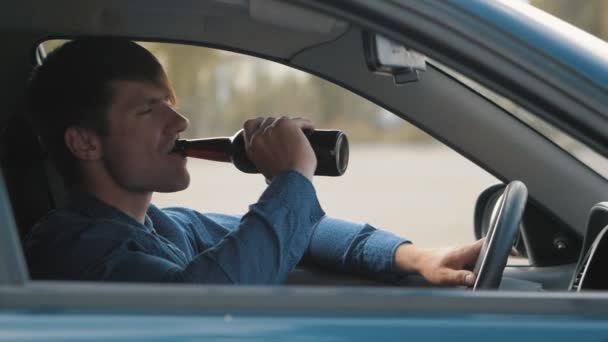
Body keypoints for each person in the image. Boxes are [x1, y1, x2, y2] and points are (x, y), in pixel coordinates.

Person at [23, 38, 482, 286]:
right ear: (85, 143)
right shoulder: (76, 248)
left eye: (172, 103)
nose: (179, 121)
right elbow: (203, 305)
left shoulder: (161, 226)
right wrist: (289, 178)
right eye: (149, 109)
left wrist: (416, 257)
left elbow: (303, 233)